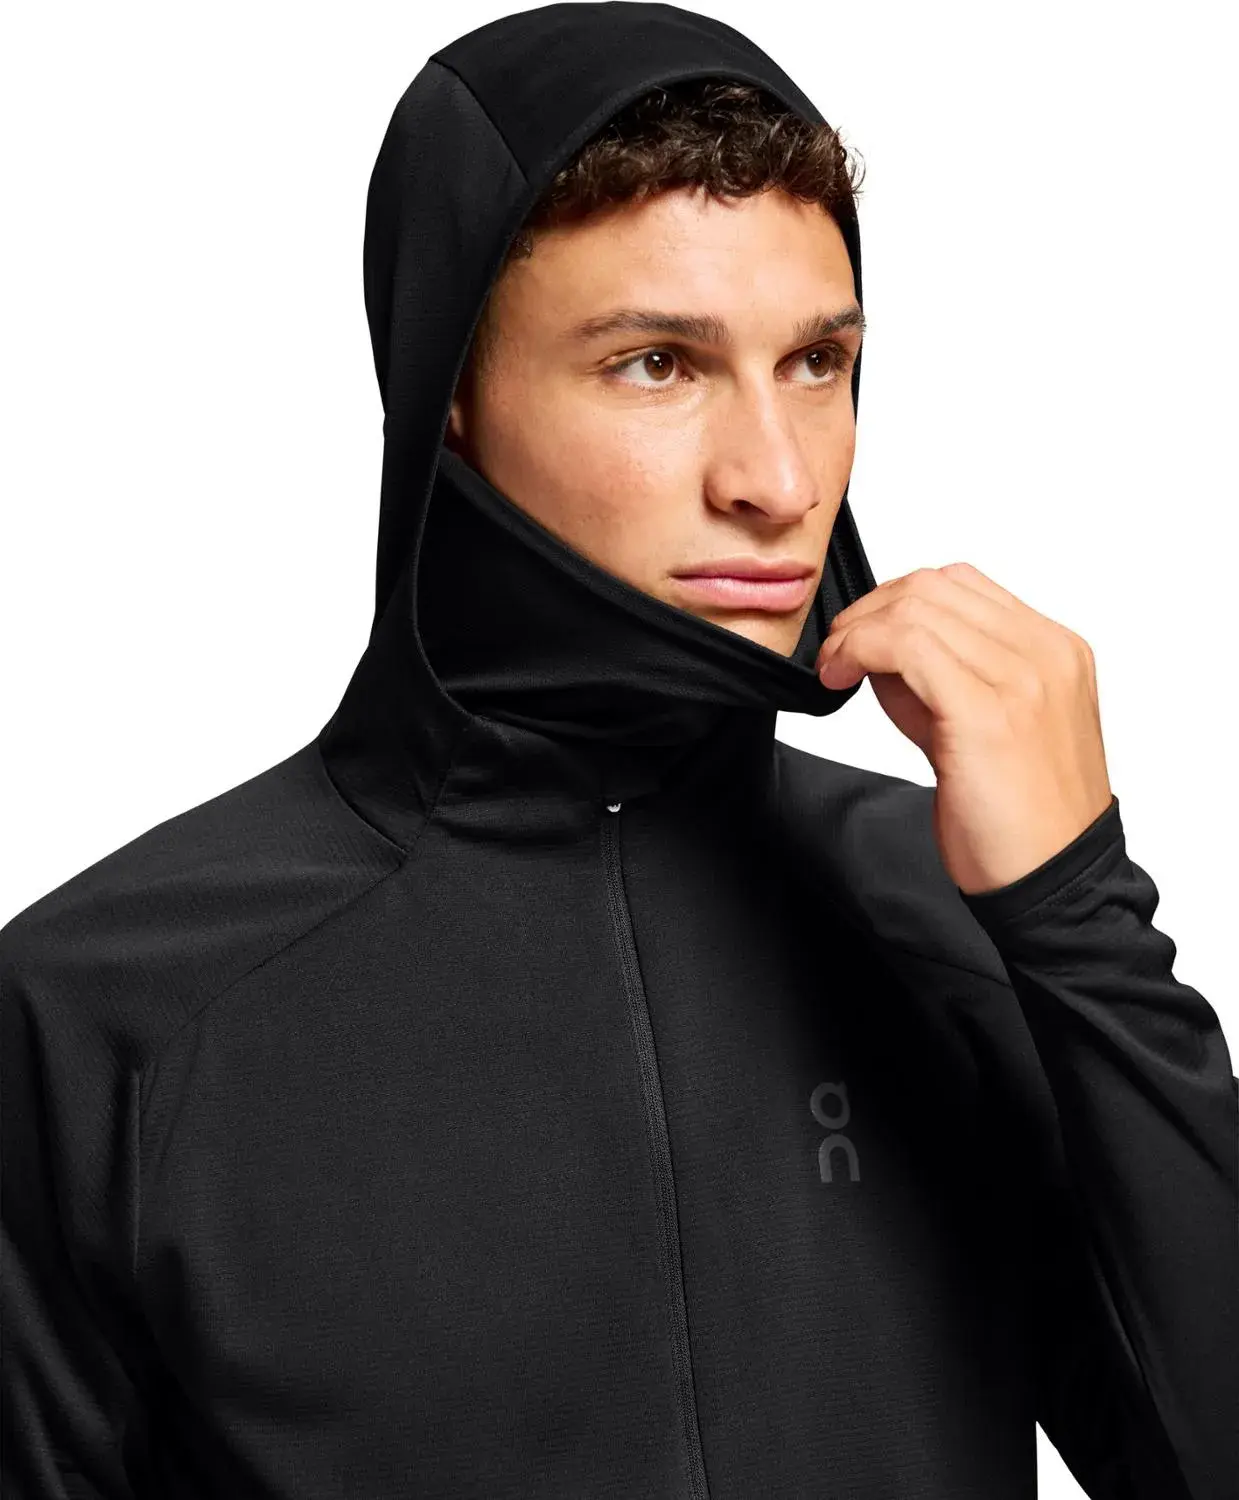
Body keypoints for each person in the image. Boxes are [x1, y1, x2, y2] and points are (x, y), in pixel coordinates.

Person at [3, 4, 1235, 1497]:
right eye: (658, 363)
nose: (778, 480)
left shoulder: (961, 923)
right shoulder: (104, 1014)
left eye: (817, 361)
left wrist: (1076, 910)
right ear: (449, 394)